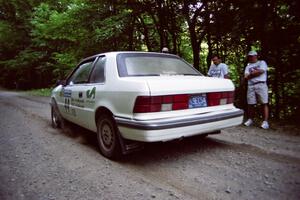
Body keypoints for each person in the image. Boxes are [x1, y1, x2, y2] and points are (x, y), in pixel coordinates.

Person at [244, 50, 269, 129]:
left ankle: (265, 122)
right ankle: (250, 119)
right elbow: (246, 76)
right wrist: (255, 72)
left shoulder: (262, 63)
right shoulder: (248, 66)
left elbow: (261, 71)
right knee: (250, 104)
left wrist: (251, 74)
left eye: (252, 56)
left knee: (264, 103)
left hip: (261, 84)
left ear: (256, 56)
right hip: (251, 85)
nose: (251, 57)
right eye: (250, 56)